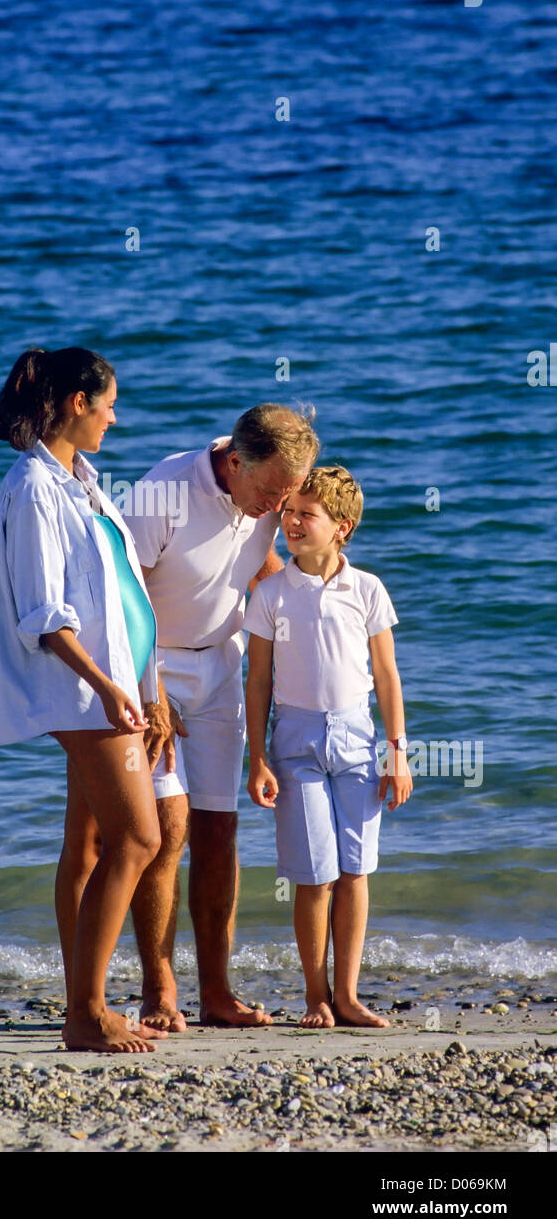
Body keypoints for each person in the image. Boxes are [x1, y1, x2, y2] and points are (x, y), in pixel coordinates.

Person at [0, 346, 167, 1053]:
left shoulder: (79, 479)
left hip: (114, 690)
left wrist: (149, 688)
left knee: (88, 845)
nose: (115, 419)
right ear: (77, 403)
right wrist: (112, 688)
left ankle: (82, 1006)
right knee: (141, 838)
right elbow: (45, 614)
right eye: (109, 404)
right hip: (87, 696)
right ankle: (87, 1014)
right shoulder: (34, 487)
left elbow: (119, 592)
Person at [122, 404, 319, 1031]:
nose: (279, 507)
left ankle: (217, 994)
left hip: (222, 668)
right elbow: (118, 592)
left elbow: (254, 567)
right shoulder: (164, 491)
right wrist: (146, 686)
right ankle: (159, 991)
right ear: (234, 464)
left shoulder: (264, 489)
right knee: (167, 823)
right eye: (270, 492)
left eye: (289, 493)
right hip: (152, 666)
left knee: (217, 830)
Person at [244, 465, 413, 1029]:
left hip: (358, 740)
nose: (291, 521)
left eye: (305, 514)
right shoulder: (270, 592)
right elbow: (259, 681)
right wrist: (258, 756)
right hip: (294, 741)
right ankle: (316, 996)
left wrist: (398, 751)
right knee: (314, 874)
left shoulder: (366, 588)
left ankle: (348, 995)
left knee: (355, 871)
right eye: (288, 511)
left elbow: (386, 676)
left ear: (341, 527)